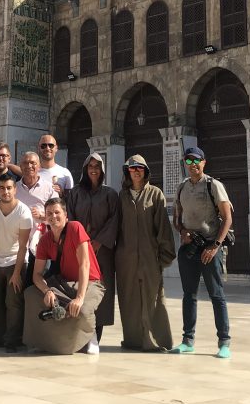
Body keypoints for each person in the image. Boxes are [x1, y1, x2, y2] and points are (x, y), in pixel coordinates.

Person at [172, 146, 234, 359]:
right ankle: (187, 340)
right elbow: (176, 219)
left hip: (210, 246)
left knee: (216, 294)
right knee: (189, 294)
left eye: (196, 161)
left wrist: (215, 246)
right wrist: (183, 231)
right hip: (190, 247)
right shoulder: (181, 188)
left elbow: (227, 218)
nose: (193, 165)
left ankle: (224, 341)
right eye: (188, 162)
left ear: (204, 162)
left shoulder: (213, 185)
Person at [23, 197, 105, 355]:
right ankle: (42, 339)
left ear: (66, 215)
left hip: (91, 281)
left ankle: (90, 336)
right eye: (49, 213)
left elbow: (84, 265)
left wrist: (80, 297)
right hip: (64, 282)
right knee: (31, 294)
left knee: (82, 308)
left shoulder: (75, 227)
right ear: (45, 217)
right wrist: (47, 291)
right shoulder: (45, 239)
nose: (53, 216)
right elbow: (37, 275)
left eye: (57, 212)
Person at [116, 154, 175, 352]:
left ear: (146, 171)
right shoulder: (122, 196)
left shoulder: (155, 194)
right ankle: (133, 340)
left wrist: (164, 257)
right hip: (126, 258)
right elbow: (116, 227)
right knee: (129, 299)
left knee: (154, 298)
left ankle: (158, 341)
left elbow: (164, 228)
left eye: (140, 168)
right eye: (132, 168)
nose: (136, 171)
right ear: (127, 171)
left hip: (150, 257)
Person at [66, 152, 119, 346]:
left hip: (102, 252)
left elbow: (114, 220)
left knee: (101, 291)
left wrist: (98, 242)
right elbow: (70, 219)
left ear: (102, 170)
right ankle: (79, 334)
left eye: (97, 166)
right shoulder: (75, 193)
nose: (94, 170)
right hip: (79, 250)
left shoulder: (110, 194)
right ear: (85, 169)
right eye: (90, 166)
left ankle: (96, 335)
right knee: (80, 288)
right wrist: (82, 243)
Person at [0, 172, 33, 352]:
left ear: (15, 189)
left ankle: (12, 340)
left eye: (9, 188)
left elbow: (23, 246)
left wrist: (17, 273)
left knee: (13, 302)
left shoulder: (24, 211)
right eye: (2, 188)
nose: (5, 192)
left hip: (16, 261)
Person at [14, 151, 55, 286]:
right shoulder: (14, 189)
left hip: (42, 244)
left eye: (33, 163)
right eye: (25, 163)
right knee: (22, 284)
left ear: (39, 166)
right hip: (19, 246)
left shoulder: (49, 188)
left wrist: (43, 216)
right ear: (20, 166)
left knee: (42, 283)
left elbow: (59, 216)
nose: (29, 166)